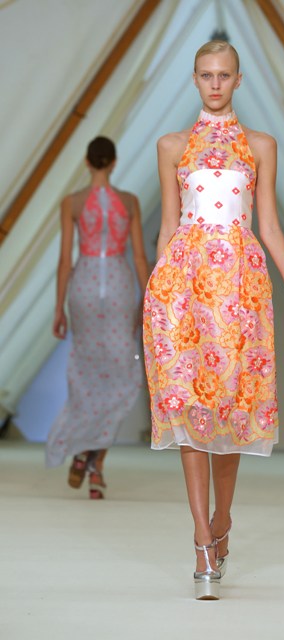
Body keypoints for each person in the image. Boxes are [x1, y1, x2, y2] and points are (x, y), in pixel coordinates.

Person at [142, 41, 284, 599]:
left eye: (223, 75)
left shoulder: (261, 145)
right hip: (182, 289)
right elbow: (169, 225)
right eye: (205, 75)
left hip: (240, 287)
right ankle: (200, 538)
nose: (214, 84)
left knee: (233, 408)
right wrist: (158, 295)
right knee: (190, 406)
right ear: (194, 79)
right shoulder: (172, 146)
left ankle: (223, 518)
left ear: (239, 80)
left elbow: (269, 223)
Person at [46, 136, 149, 499]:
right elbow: (139, 257)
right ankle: (95, 463)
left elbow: (65, 260)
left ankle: (83, 450)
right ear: (114, 162)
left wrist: (58, 307)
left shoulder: (72, 203)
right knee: (124, 375)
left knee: (86, 372)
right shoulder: (129, 202)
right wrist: (149, 298)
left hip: (85, 285)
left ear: (87, 163)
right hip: (119, 283)